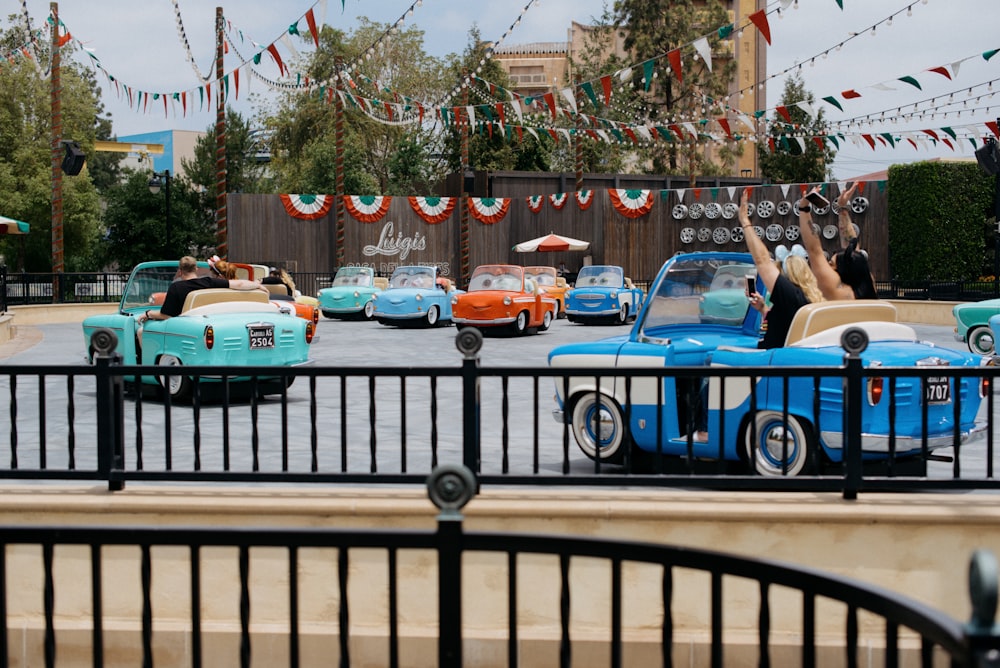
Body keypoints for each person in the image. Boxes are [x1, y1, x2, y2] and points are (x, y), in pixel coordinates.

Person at [798, 183, 878, 300]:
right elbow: (852, 247)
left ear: (842, 270)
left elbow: (814, 251)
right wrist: (842, 208)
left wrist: (803, 208)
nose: (828, 265)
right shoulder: (869, 284)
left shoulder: (835, 290)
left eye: (831, 263)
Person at [140, 255, 268, 325]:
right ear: (195, 268)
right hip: (210, 322)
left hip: (184, 326)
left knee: (141, 331)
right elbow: (239, 284)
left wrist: (148, 313)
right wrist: (257, 285)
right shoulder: (209, 282)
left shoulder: (176, 288)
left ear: (180, 271)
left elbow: (167, 316)